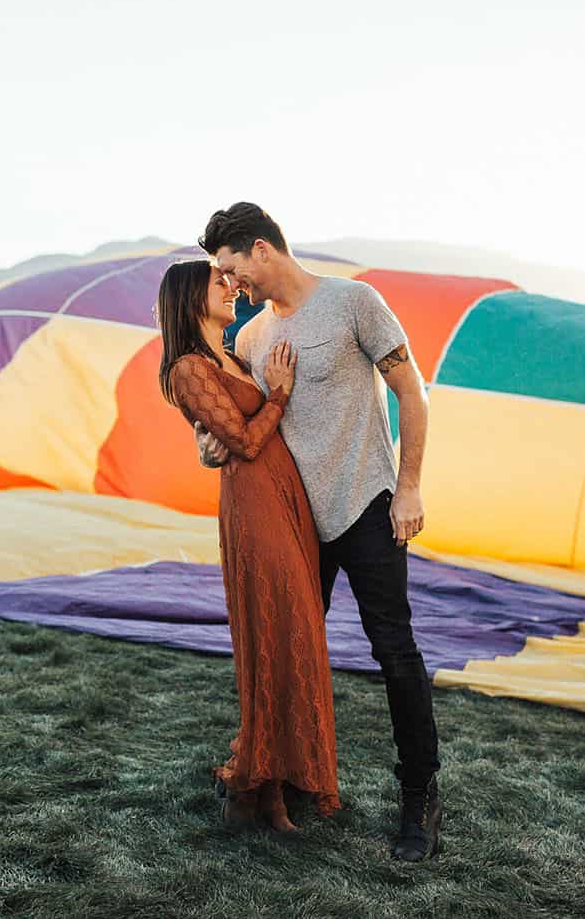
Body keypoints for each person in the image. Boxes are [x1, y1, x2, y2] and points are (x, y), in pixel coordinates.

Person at [197, 203, 442, 861]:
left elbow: (411, 393)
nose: (230, 282)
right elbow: (241, 421)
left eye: (230, 268)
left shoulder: (354, 302)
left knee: (394, 650)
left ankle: (419, 796)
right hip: (294, 522)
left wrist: (410, 485)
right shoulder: (248, 341)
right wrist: (208, 446)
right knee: (287, 648)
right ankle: (288, 776)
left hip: (366, 504)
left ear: (261, 249)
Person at [157, 259, 340, 834]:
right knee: (274, 635)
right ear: (191, 300)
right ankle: (254, 787)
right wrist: (280, 396)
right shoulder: (188, 368)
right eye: (219, 283)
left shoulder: (234, 357)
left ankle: (273, 783)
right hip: (254, 503)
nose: (232, 288)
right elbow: (239, 443)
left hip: (285, 499)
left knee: (297, 633)